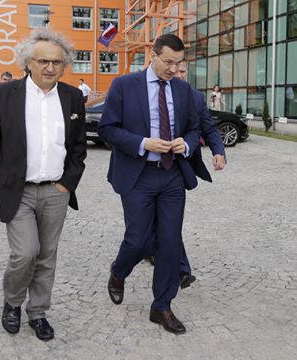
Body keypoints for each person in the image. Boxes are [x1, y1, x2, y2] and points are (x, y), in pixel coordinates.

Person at [0, 28, 87, 342]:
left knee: (47, 254)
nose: (51, 68)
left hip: (56, 190)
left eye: (57, 62)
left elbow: (78, 149)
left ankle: (38, 313)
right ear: (28, 63)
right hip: (16, 189)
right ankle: (12, 301)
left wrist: (66, 184)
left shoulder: (73, 96)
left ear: (64, 65)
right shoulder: (3, 95)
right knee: (26, 252)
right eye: (44, 61)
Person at [98, 34, 201, 335]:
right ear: (153, 56)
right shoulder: (124, 85)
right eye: (168, 62)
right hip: (137, 173)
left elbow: (194, 129)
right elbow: (107, 128)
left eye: (179, 63)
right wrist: (142, 142)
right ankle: (119, 271)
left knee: (169, 243)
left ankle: (162, 306)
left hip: (171, 175)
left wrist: (188, 143)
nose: (173, 68)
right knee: (139, 240)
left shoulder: (183, 90)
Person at [145, 61, 227, 288]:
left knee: (168, 224)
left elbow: (208, 128)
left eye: (182, 71)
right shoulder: (146, 90)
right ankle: (147, 252)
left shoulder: (193, 97)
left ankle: (180, 269)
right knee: (149, 225)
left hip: (176, 169)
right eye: (175, 70)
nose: (178, 74)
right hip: (144, 171)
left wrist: (219, 152)